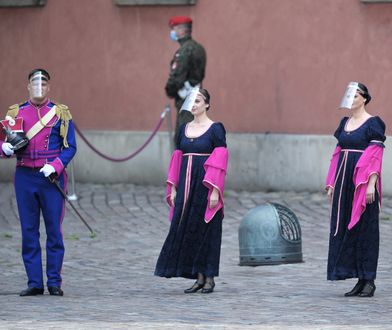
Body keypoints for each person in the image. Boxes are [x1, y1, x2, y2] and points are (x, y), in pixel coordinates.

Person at [0, 69, 77, 296]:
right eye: (35, 84)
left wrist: (55, 165)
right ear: (28, 87)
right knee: (29, 230)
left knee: (54, 230)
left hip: (51, 178)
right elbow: (5, 144)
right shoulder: (16, 112)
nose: (39, 88)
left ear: (48, 87)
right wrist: (4, 149)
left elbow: (70, 146)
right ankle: (34, 282)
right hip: (25, 177)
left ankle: (54, 281)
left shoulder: (60, 113)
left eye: (43, 84)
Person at [155, 88, 228, 294]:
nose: (194, 104)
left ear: (207, 104)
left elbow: (220, 160)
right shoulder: (183, 129)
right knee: (189, 229)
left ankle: (209, 278)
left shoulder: (216, 129)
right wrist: (174, 188)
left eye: (198, 100)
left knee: (207, 231)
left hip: (205, 186)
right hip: (186, 190)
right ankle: (197, 276)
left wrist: (215, 191)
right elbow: (177, 158)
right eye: (192, 101)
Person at [325, 82, 386, 297]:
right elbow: (337, 153)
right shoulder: (344, 123)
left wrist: (371, 184)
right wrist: (331, 182)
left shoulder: (374, 124)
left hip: (362, 182)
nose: (352, 99)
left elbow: (376, 156)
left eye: (356, 96)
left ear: (365, 98)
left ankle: (368, 280)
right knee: (345, 228)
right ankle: (357, 278)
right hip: (344, 182)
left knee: (366, 229)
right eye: (349, 96)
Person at [165, 16, 207, 143]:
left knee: (184, 139)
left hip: (186, 100)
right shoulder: (199, 48)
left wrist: (170, 90)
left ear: (182, 31)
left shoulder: (184, 51)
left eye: (175, 28)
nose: (173, 32)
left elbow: (177, 78)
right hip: (197, 97)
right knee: (195, 135)